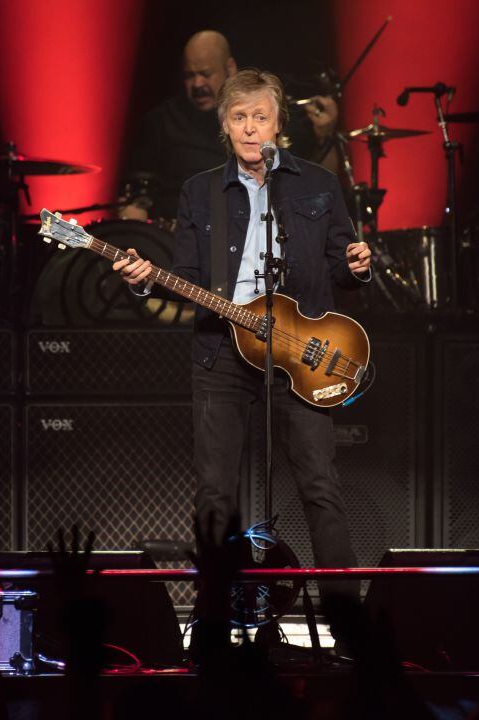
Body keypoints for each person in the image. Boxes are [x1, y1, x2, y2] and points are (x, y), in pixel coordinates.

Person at [113, 68, 371, 633]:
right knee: (215, 495)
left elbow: (342, 268)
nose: (250, 129)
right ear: (223, 127)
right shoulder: (198, 190)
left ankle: (350, 627)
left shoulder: (318, 186)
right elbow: (179, 278)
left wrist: (357, 266)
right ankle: (211, 625)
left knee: (320, 486)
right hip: (220, 354)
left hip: (299, 353)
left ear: (280, 126)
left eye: (260, 117)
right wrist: (140, 278)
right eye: (239, 118)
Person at [120, 30, 340, 220]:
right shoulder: (162, 122)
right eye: (189, 76)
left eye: (206, 74)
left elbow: (316, 191)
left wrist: (325, 136)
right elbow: (139, 192)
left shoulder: (262, 117)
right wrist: (136, 207)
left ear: (230, 68)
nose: (197, 84)